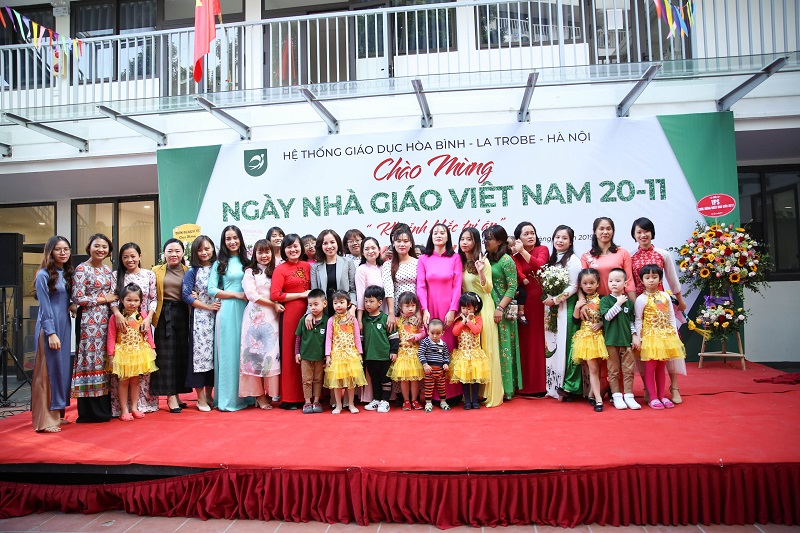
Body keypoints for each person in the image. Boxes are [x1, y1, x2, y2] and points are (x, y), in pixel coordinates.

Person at [630, 217, 687, 404]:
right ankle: (649, 389)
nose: (643, 235)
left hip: (662, 305)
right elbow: (631, 283)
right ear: (634, 235)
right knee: (646, 352)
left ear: (652, 232)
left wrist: (680, 300)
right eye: (639, 232)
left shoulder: (663, 254)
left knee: (669, 349)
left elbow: (672, 279)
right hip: (642, 305)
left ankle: (674, 387)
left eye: (646, 231)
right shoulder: (631, 256)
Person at [72, 233, 117, 423]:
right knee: (89, 361)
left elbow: (113, 294)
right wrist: (103, 299)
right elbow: (78, 297)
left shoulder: (107, 270)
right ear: (89, 248)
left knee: (104, 360)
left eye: (104, 247)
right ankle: (90, 411)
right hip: (88, 322)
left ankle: (104, 408)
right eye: (97, 246)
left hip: (106, 320)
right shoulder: (81, 269)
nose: (101, 250)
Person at [109, 242, 159, 418]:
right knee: (123, 377)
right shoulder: (116, 275)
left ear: (139, 256)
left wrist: (148, 318)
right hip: (122, 326)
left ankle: (139, 405)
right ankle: (122, 409)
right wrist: (117, 314)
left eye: (133, 256)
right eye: (125, 257)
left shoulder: (148, 274)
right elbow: (112, 298)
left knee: (140, 374)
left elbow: (153, 298)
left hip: (142, 325)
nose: (129, 260)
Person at [31, 236, 75, 433]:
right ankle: (45, 420)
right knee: (47, 372)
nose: (63, 253)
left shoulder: (66, 273)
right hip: (49, 328)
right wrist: (50, 333)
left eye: (66, 249)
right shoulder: (43, 275)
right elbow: (45, 306)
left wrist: (72, 305)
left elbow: (66, 298)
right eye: (58, 249)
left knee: (61, 369)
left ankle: (56, 413)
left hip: (64, 326)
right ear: (50, 252)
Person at [417, 223, 463, 402]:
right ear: (431, 236)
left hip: (449, 309)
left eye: (442, 232)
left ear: (448, 237)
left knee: (448, 347)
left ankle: (452, 393)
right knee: (431, 350)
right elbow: (421, 286)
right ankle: (433, 395)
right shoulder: (424, 259)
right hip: (431, 309)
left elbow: (457, 285)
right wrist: (424, 309)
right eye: (435, 232)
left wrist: (453, 310)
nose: (438, 235)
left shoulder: (455, 258)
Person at [208, 226, 251, 412]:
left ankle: (248, 396)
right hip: (227, 310)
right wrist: (236, 295)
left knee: (245, 352)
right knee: (228, 353)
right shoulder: (220, 263)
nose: (232, 242)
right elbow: (212, 289)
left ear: (240, 239)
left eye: (235, 238)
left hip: (246, 310)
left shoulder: (247, 261)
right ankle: (227, 399)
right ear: (223, 242)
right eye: (228, 239)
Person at [457, 227, 502, 407]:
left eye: (469, 239)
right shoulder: (458, 261)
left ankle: (487, 393)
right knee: (469, 352)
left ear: (476, 242)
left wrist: (481, 271)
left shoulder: (482, 261)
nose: (465, 242)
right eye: (462, 239)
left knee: (485, 350)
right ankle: (470, 396)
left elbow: (488, 289)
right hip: (466, 310)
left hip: (483, 308)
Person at [635, 264, 687, 410]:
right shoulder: (641, 299)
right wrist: (640, 338)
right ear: (642, 280)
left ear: (660, 279)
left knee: (661, 367)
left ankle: (662, 395)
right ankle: (652, 397)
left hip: (665, 336)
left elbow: (670, 315)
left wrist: (674, 335)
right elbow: (638, 319)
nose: (651, 280)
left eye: (654, 277)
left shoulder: (665, 296)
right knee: (650, 367)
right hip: (650, 338)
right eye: (647, 278)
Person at [240, 239, 283, 410]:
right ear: (254, 254)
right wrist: (274, 304)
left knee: (271, 355)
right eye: (260, 252)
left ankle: (271, 392)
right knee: (255, 356)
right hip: (255, 318)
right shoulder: (250, 272)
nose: (264, 255)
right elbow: (252, 295)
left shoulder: (277, 270)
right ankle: (259, 395)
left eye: (267, 252)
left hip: (273, 318)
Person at [271, 233, 312, 409]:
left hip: (311, 312)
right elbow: (275, 294)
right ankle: (290, 397)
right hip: (290, 314)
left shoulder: (308, 266)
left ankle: (311, 395)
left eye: (296, 246)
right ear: (284, 250)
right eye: (289, 247)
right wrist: (301, 295)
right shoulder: (280, 269)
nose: (293, 249)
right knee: (290, 354)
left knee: (309, 351)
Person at [151, 238, 191, 413]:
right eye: (170, 251)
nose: (173, 254)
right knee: (165, 356)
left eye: (177, 251)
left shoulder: (189, 271)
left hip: (183, 313)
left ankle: (178, 392)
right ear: (164, 253)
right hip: (164, 315)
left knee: (181, 354)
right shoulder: (155, 271)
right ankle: (170, 396)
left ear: (183, 253)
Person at [543, 226, 582, 401]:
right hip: (551, 308)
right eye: (557, 237)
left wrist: (556, 299)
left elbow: (573, 286)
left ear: (571, 241)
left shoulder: (573, 260)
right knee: (553, 344)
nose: (560, 241)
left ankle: (570, 386)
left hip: (567, 306)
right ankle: (554, 384)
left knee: (567, 344)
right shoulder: (552, 260)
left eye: (564, 238)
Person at [482, 225, 522, 400]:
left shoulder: (507, 260)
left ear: (499, 241)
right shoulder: (486, 259)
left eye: (489, 238)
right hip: (487, 307)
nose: (485, 241)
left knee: (504, 347)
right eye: (484, 238)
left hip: (501, 311)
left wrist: (500, 308)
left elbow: (512, 287)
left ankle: (507, 388)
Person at [182, 235, 219, 412]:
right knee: (200, 358)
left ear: (213, 249)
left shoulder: (219, 267)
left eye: (207, 248)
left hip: (219, 316)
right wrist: (207, 306)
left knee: (214, 356)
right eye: (200, 249)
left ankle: (210, 395)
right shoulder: (192, 271)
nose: (204, 252)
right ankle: (200, 398)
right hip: (200, 319)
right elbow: (186, 295)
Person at [511, 221, 549, 396]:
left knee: (536, 341)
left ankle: (538, 386)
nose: (530, 236)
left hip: (539, 301)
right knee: (523, 342)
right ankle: (522, 385)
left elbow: (539, 265)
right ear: (518, 238)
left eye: (532, 233)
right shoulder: (514, 256)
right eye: (525, 234)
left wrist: (523, 252)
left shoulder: (542, 249)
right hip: (522, 302)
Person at [600, 268, 640, 410]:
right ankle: (616, 396)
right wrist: (618, 303)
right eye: (611, 281)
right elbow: (607, 317)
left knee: (628, 370)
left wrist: (634, 336)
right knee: (613, 371)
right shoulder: (605, 300)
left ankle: (629, 396)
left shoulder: (629, 302)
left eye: (618, 281)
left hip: (626, 341)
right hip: (611, 342)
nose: (614, 283)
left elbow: (631, 322)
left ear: (625, 283)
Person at [324, 291, 367, 414]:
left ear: (348, 304)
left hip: (351, 355)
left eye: (341, 302)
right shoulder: (331, 320)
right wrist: (328, 356)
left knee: (351, 382)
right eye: (335, 303)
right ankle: (338, 405)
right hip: (337, 355)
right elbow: (328, 339)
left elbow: (357, 337)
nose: (338, 305)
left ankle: (351, 404)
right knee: (337, 382)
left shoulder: (353, 320)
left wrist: (360, 353)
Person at [571, 268, 607, 412]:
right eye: (585, 283)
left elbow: (608, 317)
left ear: (598, 283)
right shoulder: (581, 301)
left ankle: (592, 394)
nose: (589, 286)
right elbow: (575, 321)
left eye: (592, 283)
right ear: (580, 285)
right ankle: (598, 399)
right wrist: (577, 307)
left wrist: (601, 324)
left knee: (599, 368)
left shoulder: (603, 299)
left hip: (600, 338)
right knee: (593, 368)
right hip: (586, 338)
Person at [354, 236, 385, 404]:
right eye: (366, 249)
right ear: (362, 252)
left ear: (379, 250)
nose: (370, 251)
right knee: (371, 354)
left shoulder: (384, 267)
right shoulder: (361, 269)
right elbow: (360, 295)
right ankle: (370, 395)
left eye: (373, 248)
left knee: (384, 352)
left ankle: (387, 395)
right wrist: (359, 319)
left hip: (384, 313)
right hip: (368, 315)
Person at [361, 285, 399, 413]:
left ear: (380, 302)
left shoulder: (385, 318)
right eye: (366, 301)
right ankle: (376, 399)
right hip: (369, 356)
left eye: (371, 301)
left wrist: (393, 351)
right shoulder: (363, 320)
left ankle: (385, 401)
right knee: (374, 379)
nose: (368, 304)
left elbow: (394, 336)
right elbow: (361, 338)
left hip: (384, 356)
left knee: (385, 379)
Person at [449, 292, 490, 410]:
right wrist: (463, 321)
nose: (466, 311)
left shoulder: (478, 319)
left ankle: (475, 400)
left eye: (468, 308)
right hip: (463, 354)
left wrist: (468, 321)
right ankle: (467, 400)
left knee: (476, 379)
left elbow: (477, 330)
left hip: (475, 354)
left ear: (475, 308)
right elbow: (455, 332)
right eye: (463, 308)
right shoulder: (458, 320)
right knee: (465, 379)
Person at [387, 291, 426, 410]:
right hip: (402, 354)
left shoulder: (417, 320)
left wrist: (416, 337)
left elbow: (424, 333)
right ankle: (406, 400)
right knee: (404, 379)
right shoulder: (396, 320)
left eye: (413, 306)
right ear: (400, 306)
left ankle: (414, 399)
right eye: (407, 306)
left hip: (414, 353)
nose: (410, 308)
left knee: (414, 379)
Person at [580, 217, 635, 299]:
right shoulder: (586, 256)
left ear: (613, 231)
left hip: (619, 300)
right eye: (601, 229)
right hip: (596, 302)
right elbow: (582, 283)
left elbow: (629, 281)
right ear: (595, 231)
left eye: (608, 229)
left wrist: (633, 303)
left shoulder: (623, 253)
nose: (605, 232)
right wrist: (582, 301)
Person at [295, 289, 328, 414]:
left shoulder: (327, 321)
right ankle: (307, 402)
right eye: (310, 305)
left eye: (316, 304)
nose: (313, 307)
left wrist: (327, 355)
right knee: (306, 380)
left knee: (318, 379)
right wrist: (297, 352)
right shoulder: (304, 320)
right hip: (305, 356)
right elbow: (298, 337)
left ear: (324, 304)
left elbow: (329, 340)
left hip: (320, 357)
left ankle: (316, 401)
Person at [310, 229, 356, 318]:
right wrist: (309, 313)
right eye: (325, 243)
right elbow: (314, 294)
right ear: (320, 246)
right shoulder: (315, 267)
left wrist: (353, 307)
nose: (329, 246)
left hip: (346, 312)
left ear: (338, 243)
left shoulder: (348, 262)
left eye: (332, 242)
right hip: (323, 313)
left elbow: (353, 290)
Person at [381, 223, 418, 331]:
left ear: (411, 244)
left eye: (405, 241)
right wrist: (391, 313)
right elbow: (389, 290)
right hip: (397, 311)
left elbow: (422, 288)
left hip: (415, 309)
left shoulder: (418, 263)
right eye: (398, 241)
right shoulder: (388, 265)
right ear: (393, 244)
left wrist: (419, 311)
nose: (402, 244)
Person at [418, 319, 450, 412]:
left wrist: (446, 363)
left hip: (440, 371)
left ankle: (443, 402)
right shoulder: (425, 342)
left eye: (438, 333)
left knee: (442, 387)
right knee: (428, 387)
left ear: (442, 333)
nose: (435, 336)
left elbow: (446, 355)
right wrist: (425, 365)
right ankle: (428, 403)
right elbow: (420, 353)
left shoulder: (443, 344)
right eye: (432, 333)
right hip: (429, 371)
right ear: (428, 331)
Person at [507, 235, 528, 325]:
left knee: (519, 296)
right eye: (511, 246)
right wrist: (523, 278)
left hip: (515, 284)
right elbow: (516, 270)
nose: (514, 248)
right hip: (510, 284)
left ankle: (516, 315)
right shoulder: (508, 258)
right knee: (518, 295)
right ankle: (520, 313)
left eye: (514, 246)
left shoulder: (513, 257)